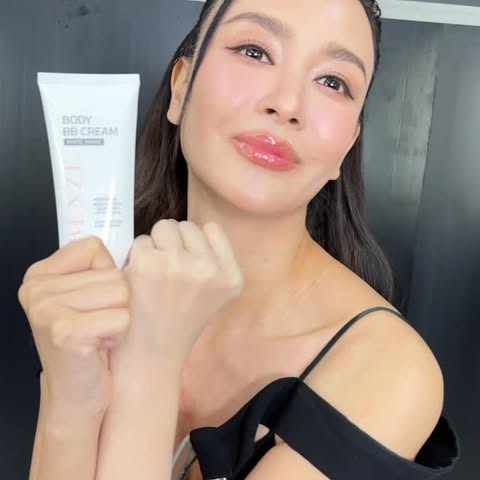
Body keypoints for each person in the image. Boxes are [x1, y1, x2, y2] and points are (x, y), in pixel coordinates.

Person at [19, 0, 460, 479]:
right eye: (255, 51)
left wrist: (150, 362)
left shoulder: (390, 370)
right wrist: (71, 398)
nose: (286, 104)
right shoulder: (112, 285)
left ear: (345, 148)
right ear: (181, 88)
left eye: (333, 82)